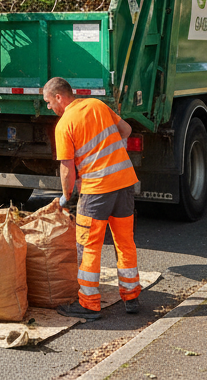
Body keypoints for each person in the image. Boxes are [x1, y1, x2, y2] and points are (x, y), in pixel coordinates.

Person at [45, 76, 142, 319]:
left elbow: (67, 168)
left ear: (59, 97)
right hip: (124, 183)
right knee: (125, 241)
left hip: (97, 190)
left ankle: (89, 304)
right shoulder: (98, 105)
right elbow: (127, 130)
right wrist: (110, 156)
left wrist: (66, 196)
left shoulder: (64, 124)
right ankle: (131, 297)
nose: (48, 107)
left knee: (88, 246)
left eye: (48, 102)